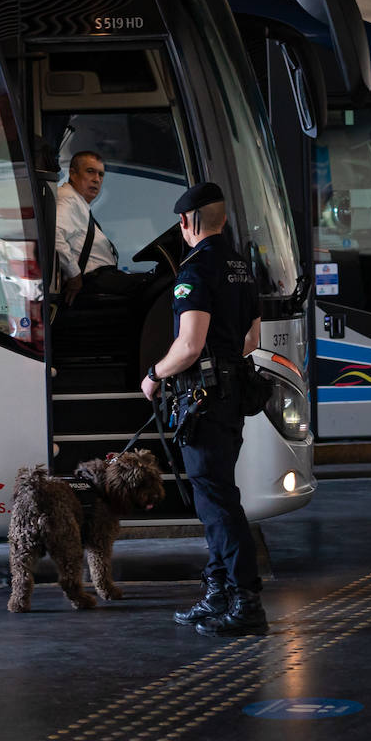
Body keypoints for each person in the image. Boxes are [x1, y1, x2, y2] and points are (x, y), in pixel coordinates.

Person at [140, 181, 267, 638]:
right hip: (232, 399)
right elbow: (251, 340)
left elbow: (190, 345)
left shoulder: (194, 271)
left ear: (187, 222)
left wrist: (154, 375)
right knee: (216, 495)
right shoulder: (241, 268)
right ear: (224, 219)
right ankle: (218, 594)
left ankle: (247, 602)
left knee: (217, 503)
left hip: (204, 401)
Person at [51, 150, 145, 304]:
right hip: (92, 282)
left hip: (100, 279)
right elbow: (54, 235)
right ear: (73, 174)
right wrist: (74, 276)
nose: (96, 179)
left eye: (101, 175)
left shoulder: (77, 202)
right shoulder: (68, 199)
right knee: (151, 286)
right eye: (90, 172)